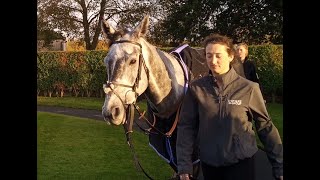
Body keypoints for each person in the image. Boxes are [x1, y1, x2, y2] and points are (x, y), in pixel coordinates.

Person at [176, 34, 283, 180]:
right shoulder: (196, 88)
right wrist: (184, 166)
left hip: (241, 163)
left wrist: (279, 166)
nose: (213, 61)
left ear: (230, 56)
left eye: (218, 56)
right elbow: (186, 127)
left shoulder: (249, 88)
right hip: (210, 164)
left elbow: (265, 127)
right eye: (209, 56)